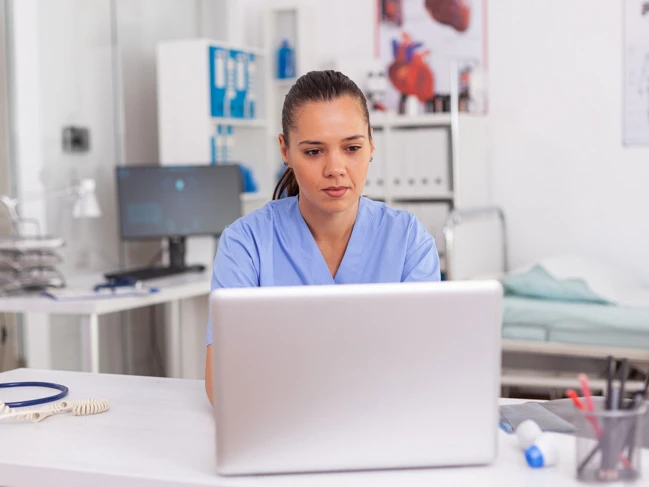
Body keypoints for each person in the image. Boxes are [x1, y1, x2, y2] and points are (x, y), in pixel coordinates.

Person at [205, 70, 440, 402]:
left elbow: (425, 371)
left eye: (352, 147)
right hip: (279, 432)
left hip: (382, 431)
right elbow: (222, 384)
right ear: (285, 151)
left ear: (371, 144)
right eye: (314, 151)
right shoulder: (246, 244)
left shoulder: (408, 242)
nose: (335, 168)